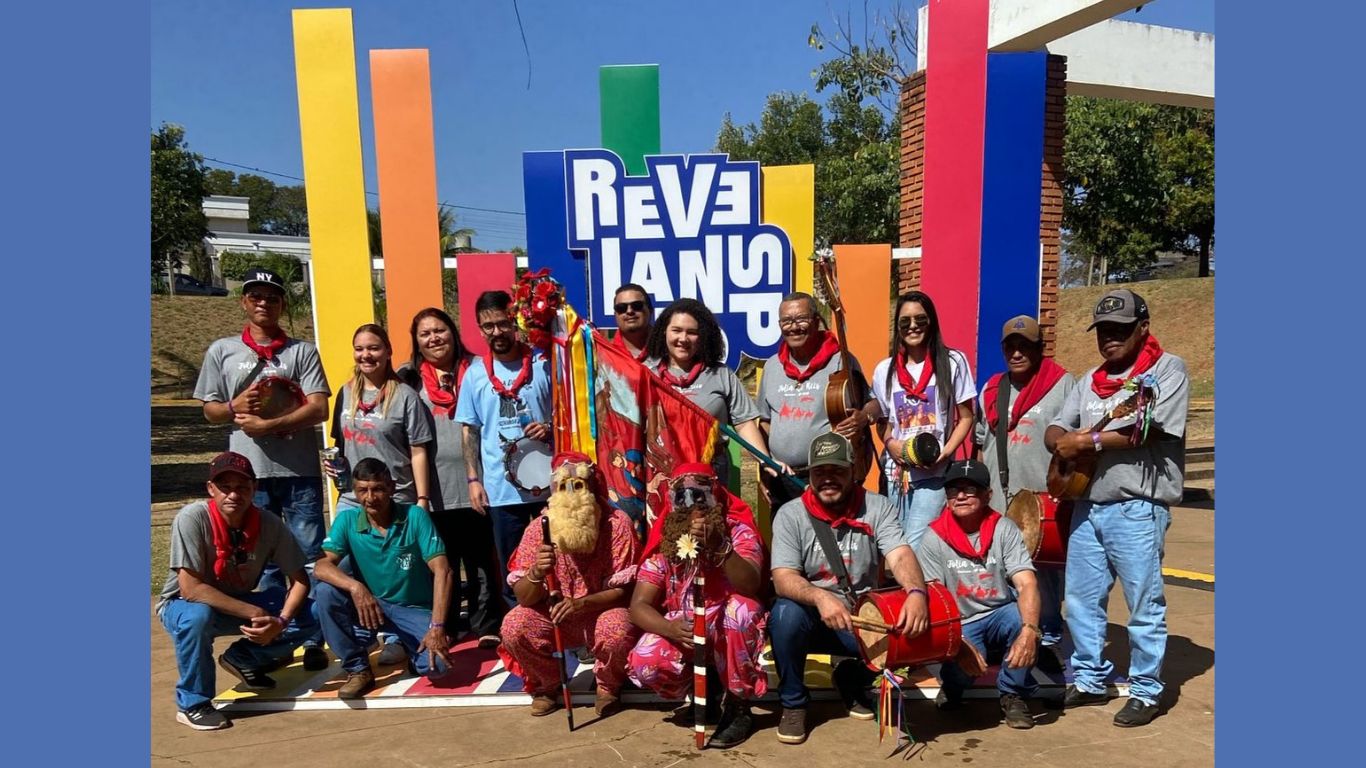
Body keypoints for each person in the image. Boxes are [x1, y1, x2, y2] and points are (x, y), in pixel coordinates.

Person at [1045, 288, 1189, 728]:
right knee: (1081, 600)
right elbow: (1057, 426)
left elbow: (1148, 430)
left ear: (1143, 328)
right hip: (1088, 503)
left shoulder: (1166, 370)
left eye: (1120, 329)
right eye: (1103, 330)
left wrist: (1086, 441)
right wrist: (1061, 443)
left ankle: (1146, 690)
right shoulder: (1089, 379)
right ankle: (1090, 678)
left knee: (1143, 603)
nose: (1110, 338)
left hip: (1138, 506)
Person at [193, 267, 329, 669]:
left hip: (299, 472)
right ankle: (273, 638)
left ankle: (313, 636)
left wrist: (269, 425)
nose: (263, 303)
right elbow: (209, 411)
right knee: (262, 563)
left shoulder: (301, 352)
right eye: (256, 296)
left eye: (272, 297)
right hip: (247, 478)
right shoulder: (223, 350)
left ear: (282, 304)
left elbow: (319, 408)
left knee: (308, 557)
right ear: (244, 302)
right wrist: (233, 406)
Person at [768, 432, 930, 745]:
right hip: (812, 617)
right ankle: (793, 703)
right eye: (820, 472)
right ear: (810, 474)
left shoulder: (878, 507)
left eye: (837, 471)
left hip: (861, 619)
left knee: (918, 634)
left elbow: (899, 554)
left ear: (854, 471)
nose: (828, 479)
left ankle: (852, 678)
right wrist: (819, 597)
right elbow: (783, 577)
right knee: (784, 615)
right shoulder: (790, 514)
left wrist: (916, 593)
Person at [157, 452, 320, 730]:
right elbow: (191, 589)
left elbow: (300, 580)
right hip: (182, 604)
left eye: (242, 487)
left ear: (254, 489)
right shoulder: (193, 518)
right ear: (211, 489)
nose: (234, 495)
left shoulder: (269, 524)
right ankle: (193, 704)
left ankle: (245, 657)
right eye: (225, 487)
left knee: (316, 611)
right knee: (198, 617)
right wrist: (255, 612)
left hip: (235, 601)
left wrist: (281, 621)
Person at [628, 464, 768, 749]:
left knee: (741, 611)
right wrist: (669, 627)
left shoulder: (737, 531)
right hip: (687, 627)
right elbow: (638, 606)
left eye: (700, 496)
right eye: (682, 497)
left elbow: (750, 585)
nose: (692, 506)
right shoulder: (668, 540)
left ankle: (739, 705)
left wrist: (720, 547)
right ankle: (704, 690)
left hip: (728, 625)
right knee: (645, 660)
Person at [499, 452, 641, 717]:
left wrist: (581, 603)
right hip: (555, 616)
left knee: (618, 628)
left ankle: (608, 686)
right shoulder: (538, 529)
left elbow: (625, 591)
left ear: (592, 487)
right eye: (564, 487)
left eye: (579, 485)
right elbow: (524, 597)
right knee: (514, 626)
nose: (572, 496)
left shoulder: (617, 525)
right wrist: (536, 572)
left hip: (600, 612)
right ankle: (547, 685)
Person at [329, 323, 435, 665]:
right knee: (339, 575)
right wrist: (336, 468)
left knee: (392, 574)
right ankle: (357, 638)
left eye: (373, 348)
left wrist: (422, 499)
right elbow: (339, 445)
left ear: (388, 351)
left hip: (396, 496)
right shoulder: (345, 393)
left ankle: (395, 636)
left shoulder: (405, 397)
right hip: (352, 500)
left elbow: (418, 451)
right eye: (360, 349)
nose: (366, 355)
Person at [399, 307, 503, 649]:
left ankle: (486, 623)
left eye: (439, 330)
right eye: (425, 334)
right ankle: (451, 621)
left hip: (479, 481)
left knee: (482, 559)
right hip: (434, 486)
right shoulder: (408, 380)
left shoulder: (480, 369)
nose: (434, 338)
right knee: (444, 559)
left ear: (453, 333)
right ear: (416, 341)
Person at [975, 315, 1075, 672]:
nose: (1017, 353)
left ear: (1039, 348)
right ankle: (1010, 636)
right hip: (1000, 503)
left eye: (1025, 346)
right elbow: (980, 444)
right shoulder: (992, 389)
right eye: (1011, 347)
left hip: (1043, 504)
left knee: (1044, 576)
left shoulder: (1062, 385)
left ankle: (1048, 641)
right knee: (1000, 574)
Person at [914, 460, 1043, 729]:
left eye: (970, 489)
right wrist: (958, 644)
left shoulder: (1004, 528)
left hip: (999, 611)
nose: (960, 496)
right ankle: (953, 686)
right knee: (964, 670)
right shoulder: (933, 537)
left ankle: (1012, 694)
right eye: (953, 490)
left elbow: (1027, 583)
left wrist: (1030, 631)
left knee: (1023, 622)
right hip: (959, 621)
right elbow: (934, 598)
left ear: (987, 495)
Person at [312, 458, 455, 699]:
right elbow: (321, 566)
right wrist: (356, 587)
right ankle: (357, 669)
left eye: (377, 489)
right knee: (325, 592)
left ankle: (413, 652)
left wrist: (437, 627)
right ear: (354, 491)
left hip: (412, 608)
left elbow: (444, 571)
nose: (370, 498)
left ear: (391, 488)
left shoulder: (415, 516)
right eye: (362, 490)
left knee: (438, 668)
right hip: (371, 606)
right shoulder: (347, 520)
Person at [456, 289, 555, 606]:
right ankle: (518, 627)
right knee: (513, 569)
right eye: (488, 326)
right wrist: (473, 479)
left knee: (557, 562)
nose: (496, 332)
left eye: (503, 323)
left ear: (515, 323)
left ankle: (562, 626)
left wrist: (550, 426)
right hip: (502, 491)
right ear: (480, 328)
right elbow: (470, 429)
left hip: (549, 487)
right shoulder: (474, 374)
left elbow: (567, 414)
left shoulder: (544, 364)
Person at [870, 291, 977, 549]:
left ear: (931, 322)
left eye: (920, 319)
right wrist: (890, 444)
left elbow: (966, 417)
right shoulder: (885, 370)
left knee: (916, 545)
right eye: (905, 321)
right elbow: (883, 421)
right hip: (897, 475)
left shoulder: (952, 362)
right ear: (897, 326)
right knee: (895, 546)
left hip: (935, 473)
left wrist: (946, 453)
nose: (913, 326)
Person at [758, 292, 875, 509]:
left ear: (816, 320)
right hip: (783, 478)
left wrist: (863, 418)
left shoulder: (841, 360)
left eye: (801, 319)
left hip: (830, 478)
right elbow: (765, 422)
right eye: (786, 321)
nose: (794, 327)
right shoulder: (772, 366)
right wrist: (764, 468)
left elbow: (873, 404)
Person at [643, 298, 772, 482]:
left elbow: (744, 423)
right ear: (664, 331)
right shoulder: (647, 375)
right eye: (676, 330)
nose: (683, 339)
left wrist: (766, 462)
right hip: (664, 470)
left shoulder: (721, 374)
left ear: (703, 336)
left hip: (711, 469)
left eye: (692, 332)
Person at [610, 283, 653, 362]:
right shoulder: (603, 353)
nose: (629, 311)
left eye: (637, 305)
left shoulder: (669, 349)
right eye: (621, 308)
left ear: (650, 310)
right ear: (615, 315)